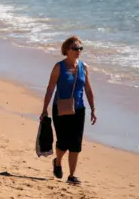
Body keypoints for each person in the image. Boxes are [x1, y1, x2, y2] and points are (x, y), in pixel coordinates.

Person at [41, 36, 96, 185]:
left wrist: (93, 109)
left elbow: (88, 89)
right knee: (63, 142)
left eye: (80, 48)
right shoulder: (59, 67)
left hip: (79, 110)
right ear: (67, 50)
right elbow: (50, 88)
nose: (78, 51)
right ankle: (57, 162)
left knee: (76, 144)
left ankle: (72, 175)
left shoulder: (84, 67)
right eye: (75, 48)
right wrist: (44, 109)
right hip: (60, 109)